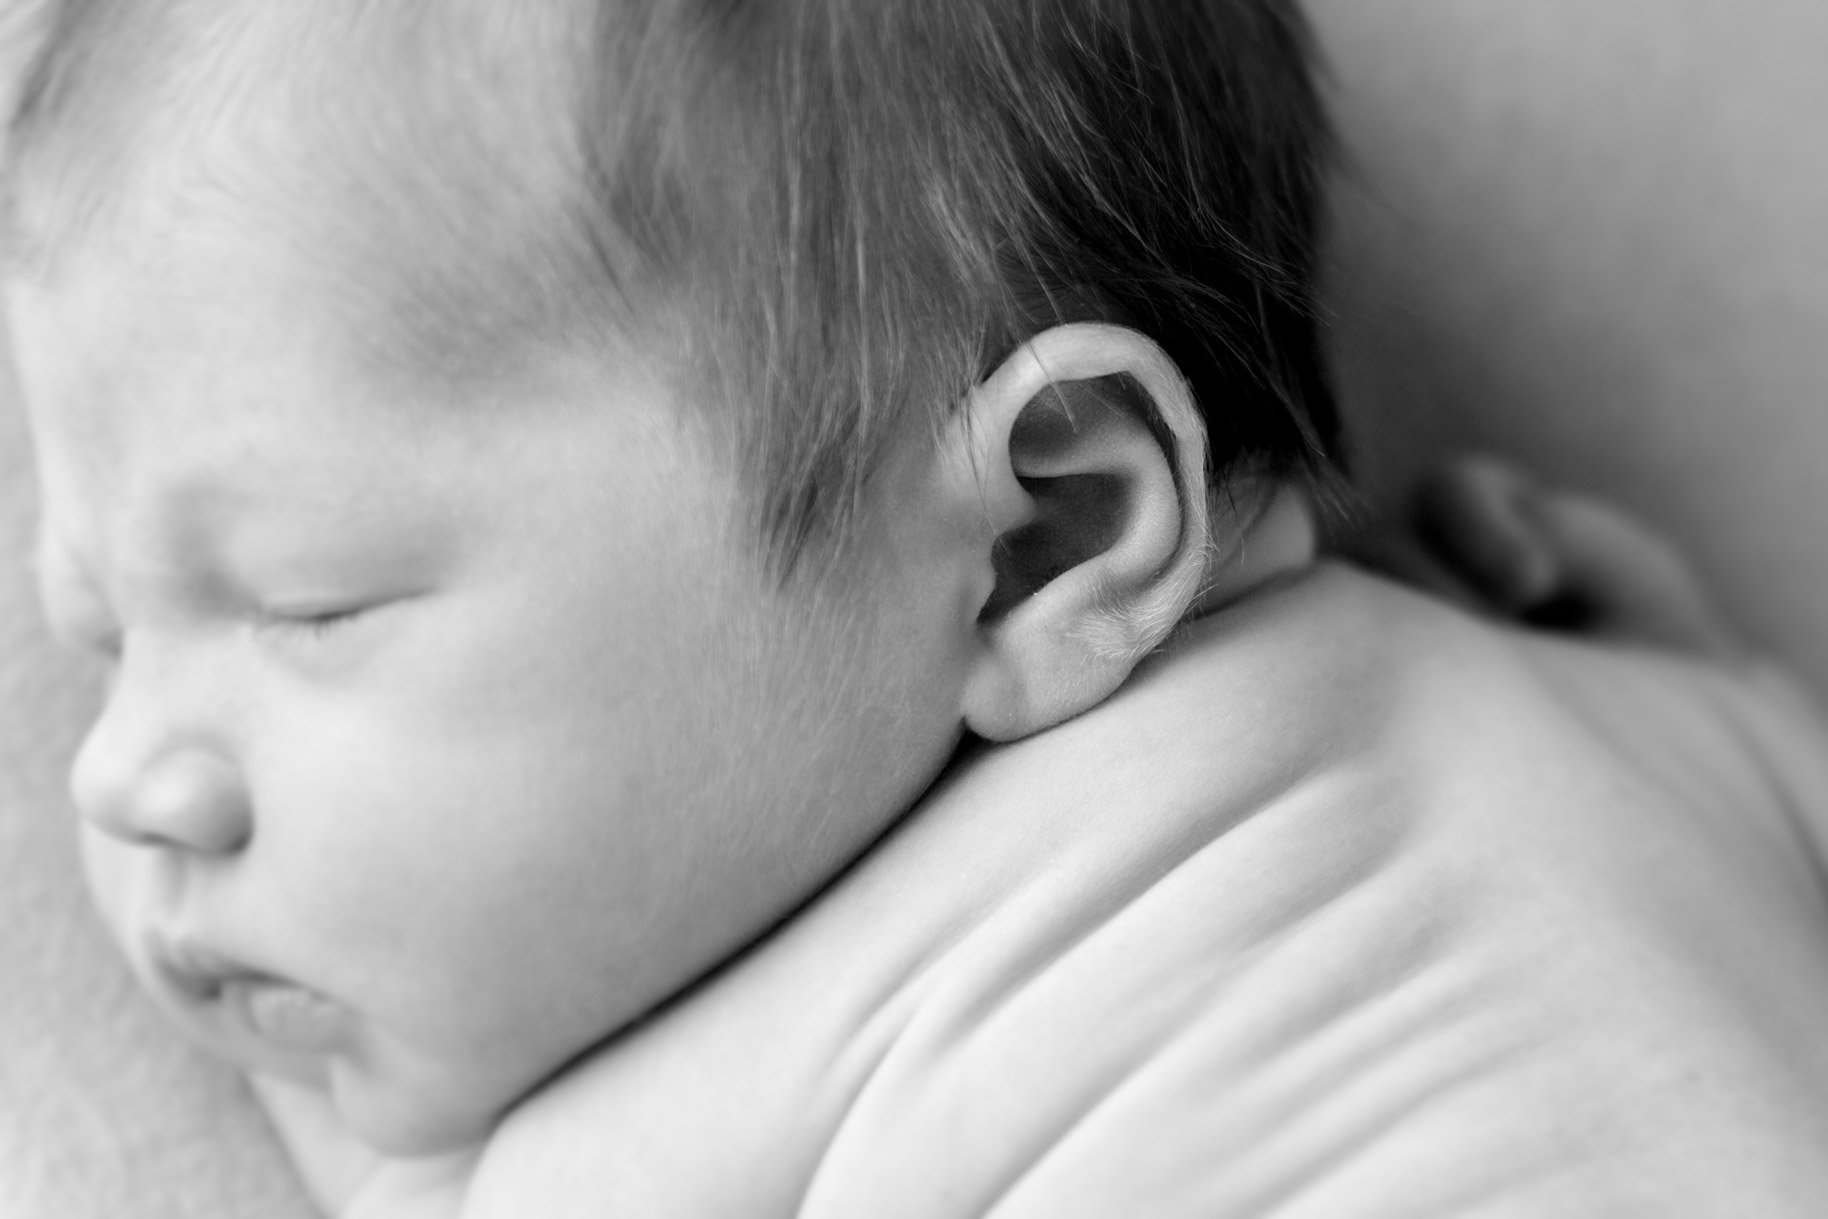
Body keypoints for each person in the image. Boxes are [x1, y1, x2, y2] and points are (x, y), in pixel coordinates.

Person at [6, 1, 1828, 1215]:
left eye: (312, 605)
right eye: (94, 633)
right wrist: (1654, 654)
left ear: (1041, 540)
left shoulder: (719, 1103)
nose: (122, 777)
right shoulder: (1604, 704)